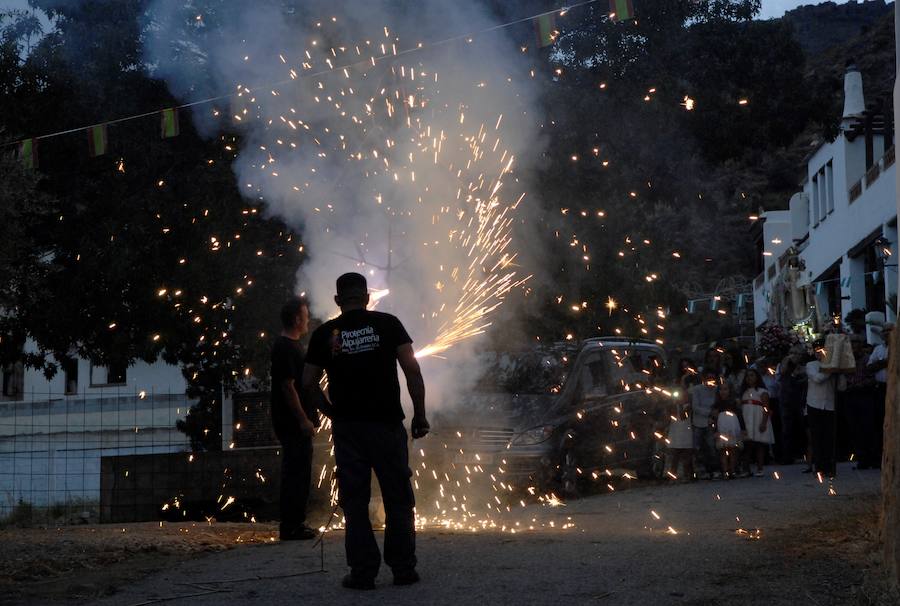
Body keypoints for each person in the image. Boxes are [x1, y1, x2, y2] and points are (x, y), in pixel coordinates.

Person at [302, 273, 429, 590]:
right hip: (386, 425)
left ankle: (362, 572)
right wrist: (420, 415)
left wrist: (331, 412)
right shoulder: (388, 323)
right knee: (398, 497)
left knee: (355, 501)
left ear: (337, 301)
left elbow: (307, 383)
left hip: (349, 430)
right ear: (368, 297)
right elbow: (411, 369)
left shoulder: (324, 334)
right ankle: (403, 569)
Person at [270, 297, 319, 541]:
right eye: (306, 315)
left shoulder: (294, 346)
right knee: (296, 473)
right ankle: (292, 526)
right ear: (297, 319)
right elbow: (288, 387)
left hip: (295, 422)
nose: (308, 318)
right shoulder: (285, 347)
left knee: (299, 471)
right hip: (291, 423)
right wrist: (302, 420)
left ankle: (295, 523)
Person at [844, 334, 877, 469]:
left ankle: (873, 457)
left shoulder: (867, 359)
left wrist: (862, 384)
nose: (853, 346)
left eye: (856, 343)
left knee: (868, 427)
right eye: (851, 343)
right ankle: (862, 458)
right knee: (855, 428)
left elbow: (873, 376)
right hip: (851, 395)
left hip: (865, 395)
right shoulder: (846, 360)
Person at [806, 343, 837, 478]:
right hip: (814, 403)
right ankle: (819, 467)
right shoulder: (811, 365)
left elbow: (841, 386)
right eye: (817, 351)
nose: (820, 354)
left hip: (830, 404)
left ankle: (830, 467)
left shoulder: (833, 366)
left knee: (829, 437)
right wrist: (830, 369)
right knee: (817, 437)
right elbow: (818, 378)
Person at [740, 368, 774, 477]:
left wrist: (764, 422)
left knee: (759, 445)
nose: (749, 378)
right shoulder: (743, 392)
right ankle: (746, 469)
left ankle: (760, 468)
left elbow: (766, 408)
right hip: (747, 418)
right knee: (747, 445)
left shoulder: (762, 392)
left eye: (752, 375)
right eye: (748, 376)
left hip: (758, 418)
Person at [867, 322, 892, 468]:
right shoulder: (878, 349)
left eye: (889, 331)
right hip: (881, 388)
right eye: (885, 331)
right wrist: (884, 362)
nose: (886, 334)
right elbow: (870, 367)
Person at [689, 370, 720, 478]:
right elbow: (695, 407)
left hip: (711, 421)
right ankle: (701, 470)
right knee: (698, 447)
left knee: (712, 446)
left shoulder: (717, 389)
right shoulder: (697, 389)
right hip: (699, 422)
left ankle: (714, 468)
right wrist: (709, 412)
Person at [714, 382, 745, 479]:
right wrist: (715, 429)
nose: (723, 392)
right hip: (722, 427)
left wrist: (743, 429)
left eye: (725, 389)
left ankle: (732, 470)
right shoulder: (717, 404)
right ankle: (725, 471)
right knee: (723, 450)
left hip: (733, 427)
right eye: (721, 389)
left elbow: (740, 415)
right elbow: (714, 418)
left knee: (733, 449)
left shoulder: (735, 403)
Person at [666, 389, 694, 481]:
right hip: (675, 432)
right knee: (675, 456)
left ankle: (688, 475)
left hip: (686, 432)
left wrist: (680, 405)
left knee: (687, 456)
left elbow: (683, 416)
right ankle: (672, 475)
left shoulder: (688, 406)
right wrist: (673, 404)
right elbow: (670, 415)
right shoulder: (674, 406)